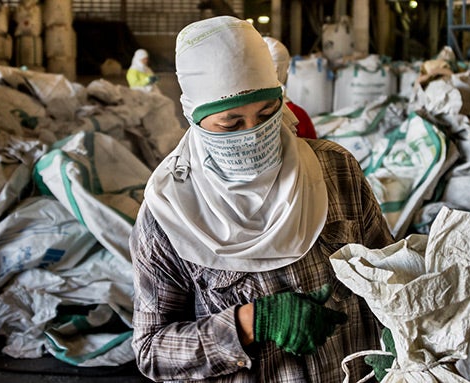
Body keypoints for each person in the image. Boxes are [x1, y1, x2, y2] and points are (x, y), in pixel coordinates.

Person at [129, 16, 395, 382]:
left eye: (267, 114)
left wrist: (400, 336)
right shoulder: (169, 214)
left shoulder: (336, 171)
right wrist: (249, 323)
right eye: (231, 124)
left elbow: (392, 274)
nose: (253, 134)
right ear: (194, 118)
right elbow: (152, 351)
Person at [262, 36, 318, 139]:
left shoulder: (241, 113)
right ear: (279, 70)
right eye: (286, 67)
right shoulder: (296, 115)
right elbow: (313, 152)